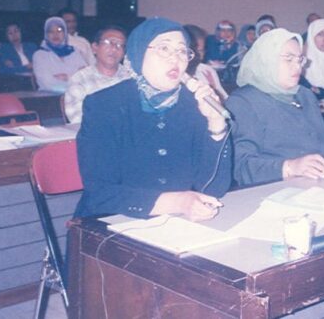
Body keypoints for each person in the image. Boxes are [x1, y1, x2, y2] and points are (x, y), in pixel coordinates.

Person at [74, 17, 231, 220]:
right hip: (112, 221)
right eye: (164, 49)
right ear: (138, 53)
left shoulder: (196, 105)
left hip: (178, 222)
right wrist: (179, 202)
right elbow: (100, 193)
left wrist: (216, 125)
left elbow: (214, 188)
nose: (175, 59)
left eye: (182, 51)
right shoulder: (104, 105)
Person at [226, 28, 324, 187]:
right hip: (271, 190)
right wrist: (289, 167)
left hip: (315, 186)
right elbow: (240, 167)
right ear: (266, 60)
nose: (298, 67)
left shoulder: (305, 95)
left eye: (299, 59)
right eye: (288, 59)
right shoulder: (243, 102)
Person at [64, 25, 130, 123]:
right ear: (95, 47)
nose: (114, 48)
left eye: (120, 45)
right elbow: (77, 119)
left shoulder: (132, 78)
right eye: (109, 42)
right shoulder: (80, 79)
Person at [32, 17, 87, 92]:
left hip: (77, 95)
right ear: (46, 34)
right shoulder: (40, 55)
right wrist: (74, 84)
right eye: (51, 31)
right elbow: (47, 84)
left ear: (65, 33)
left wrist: (67, 77)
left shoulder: (74, 51)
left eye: (59, 30)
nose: (55, 34)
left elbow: (86, 76)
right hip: (50, 98)